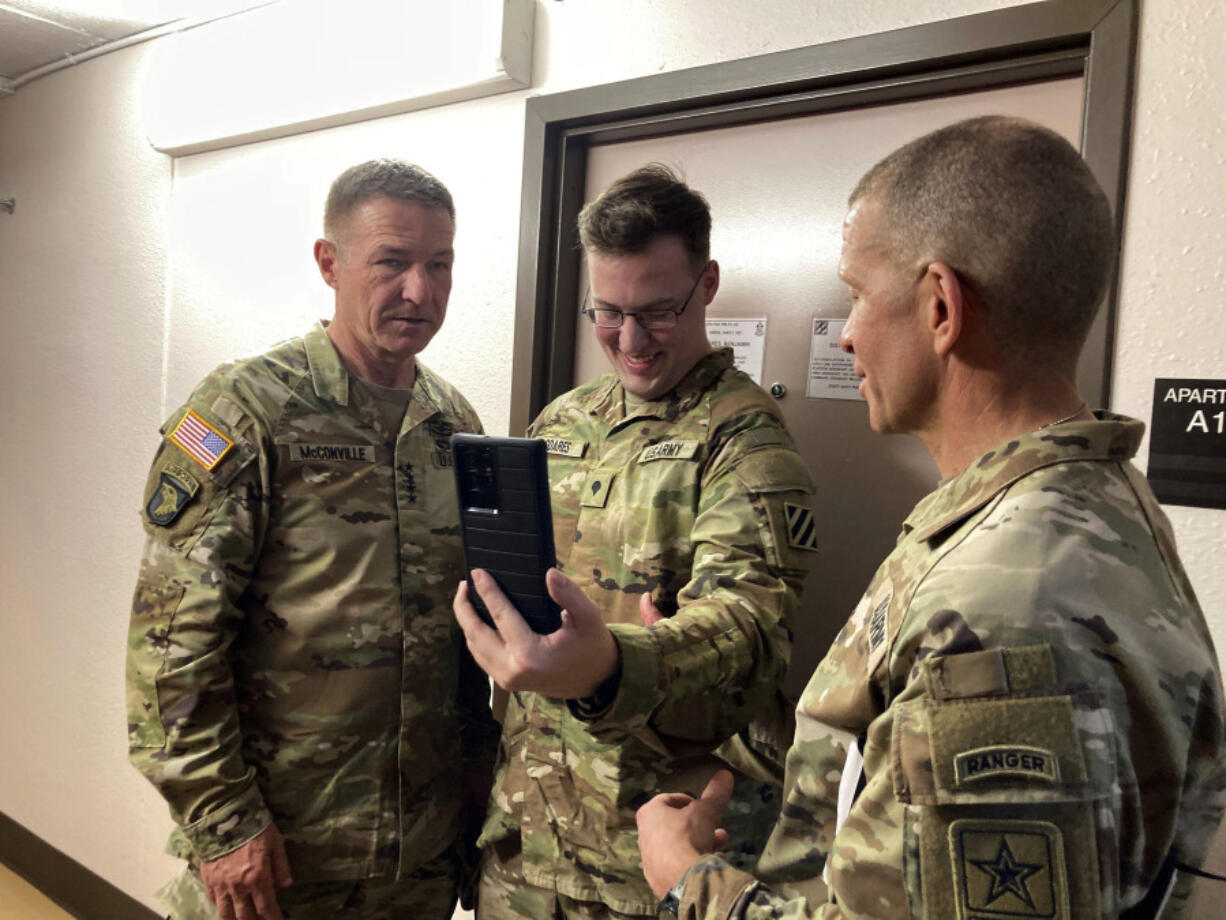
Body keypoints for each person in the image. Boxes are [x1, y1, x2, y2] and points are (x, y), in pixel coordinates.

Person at [635, 116, 1226, 919]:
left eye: (856, 295)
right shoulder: (1075, 510)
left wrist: (690, 885)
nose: (845, 334)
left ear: (942, 306)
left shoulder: (1006, 606)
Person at [126, 159, 499, 920]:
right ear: (330, 264)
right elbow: (171, 648)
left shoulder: (452, 423)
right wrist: (224, 824)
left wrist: (474, 779)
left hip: (415, 853)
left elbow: (464, 631)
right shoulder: (248, 411)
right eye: (392, 262)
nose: (418, 292)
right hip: (281, 851)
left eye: (440, 265)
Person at [454, 164, 819, 918]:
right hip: (525, 843)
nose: (630, 340)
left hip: (646, 859)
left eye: (656, 311)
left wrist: (616, 663)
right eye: (607, 312)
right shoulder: (560, 424)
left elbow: (751, 627)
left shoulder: (746, 440)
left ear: (707, 283)